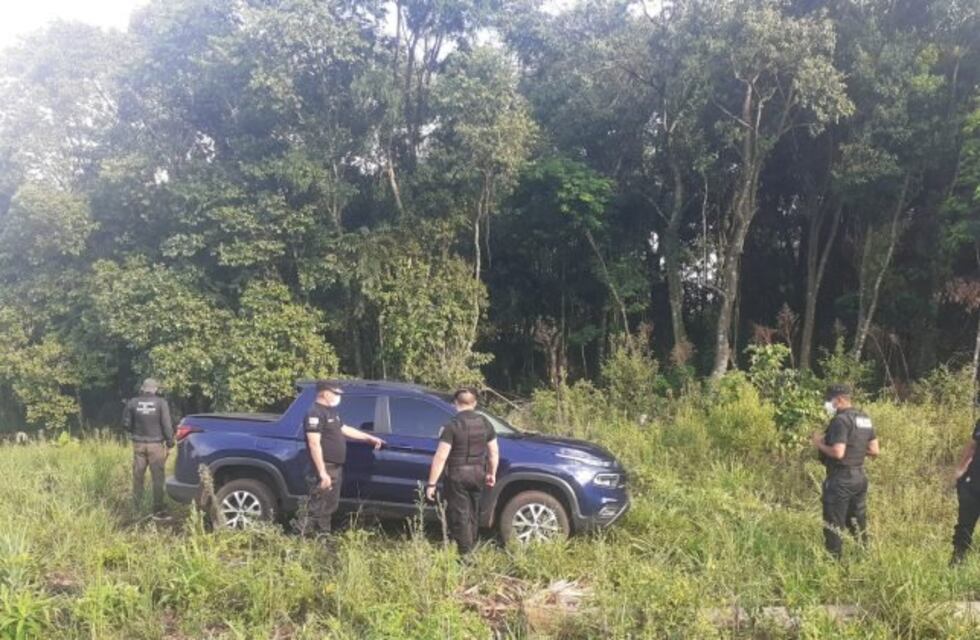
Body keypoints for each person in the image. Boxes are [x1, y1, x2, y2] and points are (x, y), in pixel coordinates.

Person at [303, 381, 384, 535]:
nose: (338, 397)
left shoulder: (331, 412)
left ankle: (321, 536)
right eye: (336, 393)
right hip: (324, 467)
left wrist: (368, 438)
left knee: (329, 505)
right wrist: (322, 473)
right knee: (319, 505)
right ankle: (311, 537)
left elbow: (344, 429)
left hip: (335, 467)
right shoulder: (315, 413)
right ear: (325, 393)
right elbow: (314, 444)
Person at [425, 389, 500, 555]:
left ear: (455, 404)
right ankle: (471, 547)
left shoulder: (452, 425)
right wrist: (491, 473)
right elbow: (494, 452)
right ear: (475, 403)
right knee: (474, 512)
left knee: (460, 514)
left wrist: (431, 484)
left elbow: (441, 456)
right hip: (478, 473)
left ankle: (466, 555)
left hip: (457, 475)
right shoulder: (486, 423)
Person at [811, 384, 879, 560]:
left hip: (840, 478)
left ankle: (834, 563)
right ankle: (863, 557)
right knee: (857, 521)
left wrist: (818, 444)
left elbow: (838, 453)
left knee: (833, 523)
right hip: (859, 478)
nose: (828, 404)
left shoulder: (840, 421)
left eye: (830, 400)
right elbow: (874, 451)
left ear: (840, 399)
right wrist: (855, 449)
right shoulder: (864, 418)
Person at [122, 378, 174, 513]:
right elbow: (167, 425)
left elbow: (126, 424)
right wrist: (170, 442)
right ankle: (158, 508)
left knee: (138, 476)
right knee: (158, 478)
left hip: (138, 445)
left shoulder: (133, 402)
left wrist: (135, 432)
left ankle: (136, 507)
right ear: (155, 389)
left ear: (143, 388)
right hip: (156, 446)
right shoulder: (161, 403)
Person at [951, 419, 980, 565]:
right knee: (964, 528)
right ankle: (956, 564)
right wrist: (959, 472)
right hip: (973, 484)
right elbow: (972, 446)